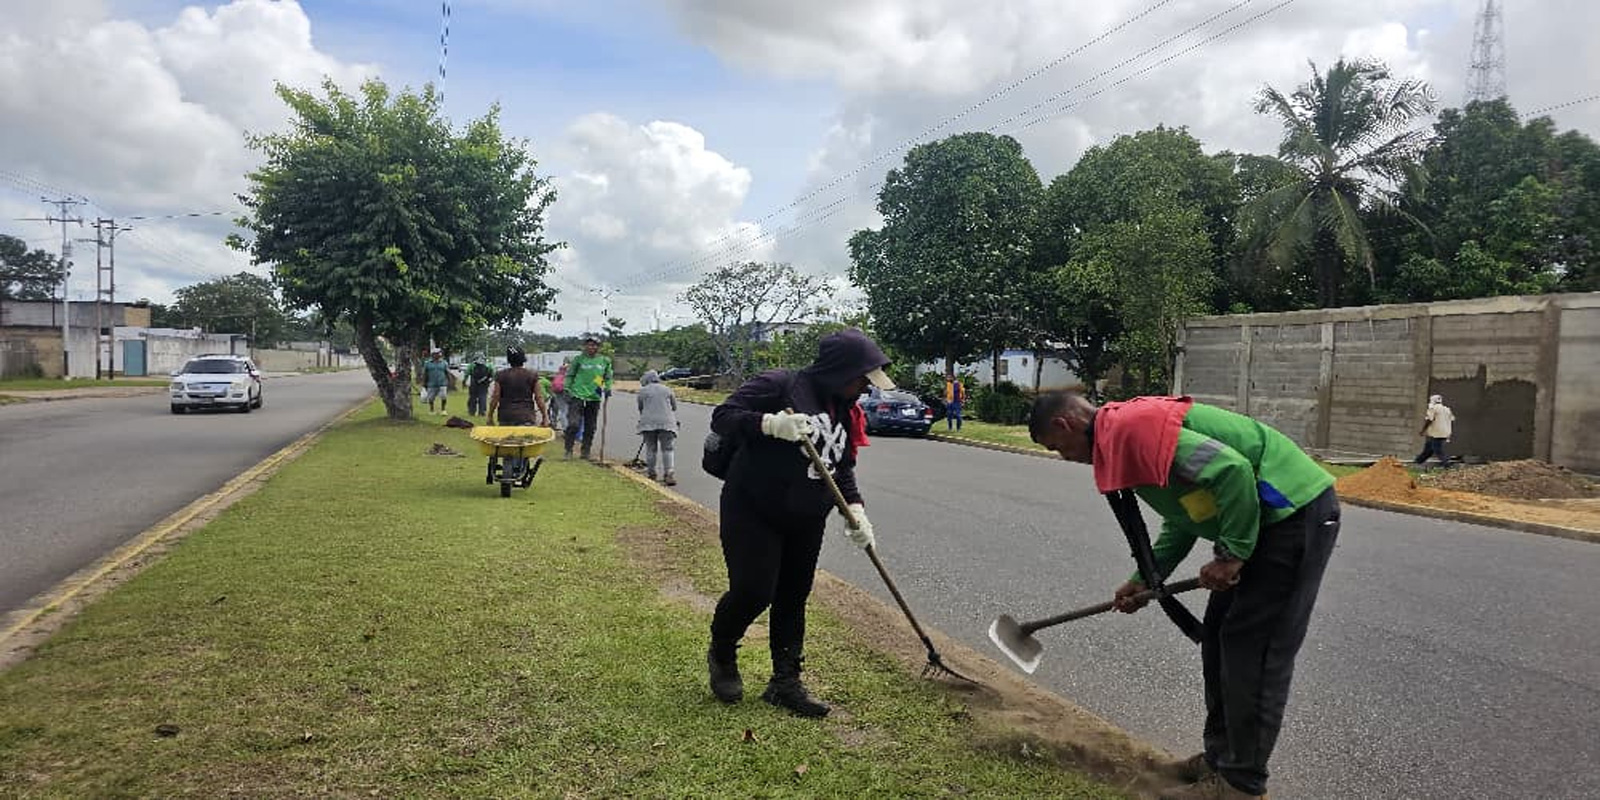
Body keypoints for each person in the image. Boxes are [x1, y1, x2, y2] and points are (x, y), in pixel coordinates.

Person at [1029, 392, 1340, 800]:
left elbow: (1231, 472)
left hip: (1292, 515)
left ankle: (1241, 785)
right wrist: (1145, 577)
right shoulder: (1121, 439)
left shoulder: (1132, 429)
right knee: (1218, 639)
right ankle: (1221, 760)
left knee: (1253, 651)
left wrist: (1231, 554)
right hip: (1258, 522)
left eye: (1057, 448)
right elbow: (1189, 512)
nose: (1064, 457)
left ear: (1063, 425)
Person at [705, 328, 894, 718]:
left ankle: (785, 683)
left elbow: (840, 466)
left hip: (807, 517)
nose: (865, 388)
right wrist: (769, 424)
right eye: (863, 378)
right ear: (842, 370)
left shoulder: (845, 406)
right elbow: (723, 416)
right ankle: (723, 649)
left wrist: (855, 509)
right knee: (755, 591)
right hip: (753, 507)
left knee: (794, 596)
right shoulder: (779, 384)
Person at [562, 338, 613, 460]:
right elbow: (570, 375)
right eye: (589, 345)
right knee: (573, 424)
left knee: (590, 426)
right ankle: (568, 450)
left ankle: (585, 451)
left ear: (598, 347)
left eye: (595, 345)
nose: (592, 347)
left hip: (594, 397)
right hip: (577, 395)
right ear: (585, 346)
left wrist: (607, 387)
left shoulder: (604, 361)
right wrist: (566, 388)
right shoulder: (579, 360)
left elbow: (607, 377)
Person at [636, 370, 680, 485]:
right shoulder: (667, 389)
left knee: (651, 448)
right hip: (667, 423)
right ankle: (669, 474)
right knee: (667, 448)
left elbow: (641, 408)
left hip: (648, 423)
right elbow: (674, 407)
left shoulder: (642, 391)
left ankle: (651, 473)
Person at [1414, 393, 1454, 468]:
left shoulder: (1433, 408)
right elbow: (1451, 419)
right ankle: (1418, 461)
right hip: (1445, 432)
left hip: (1437, 433)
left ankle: (1446, 464)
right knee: (1428, 447)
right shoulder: (1447, 409)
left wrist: (1423, 430)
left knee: (1437, 450)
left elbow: (1429, 419)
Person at [422, 350, 452, 416]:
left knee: (443, 397)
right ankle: (431, 410)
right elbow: (425, 374)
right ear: (433, 355)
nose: (439, 355)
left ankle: (443, 410)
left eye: (439, 353)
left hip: (442, 383)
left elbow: (447, 373)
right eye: (437, 354)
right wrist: (424, 383)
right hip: (431, 384)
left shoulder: (444, 363)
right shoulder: (428, 363)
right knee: (431, 398)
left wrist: (450, 381)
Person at [549, 357, 571, 432]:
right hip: (567, 391)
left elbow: (553, 385)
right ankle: (567, 429)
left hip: (558, 392)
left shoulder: (559, 372)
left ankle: (564, 427)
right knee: (566, 411)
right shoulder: (569, 370)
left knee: (562, 410)